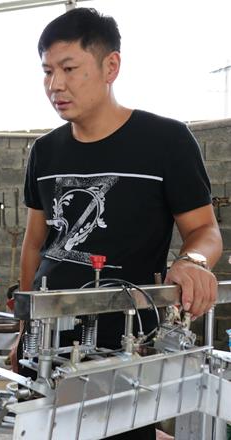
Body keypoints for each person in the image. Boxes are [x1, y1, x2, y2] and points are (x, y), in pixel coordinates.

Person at [16, 7, 222, 440]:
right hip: (49, 344)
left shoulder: (166, 141)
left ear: (111, 66)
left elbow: (205, 230)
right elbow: (35, 243)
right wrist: (26, 326)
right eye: (47, 71)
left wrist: (193, 261)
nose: (55, 85)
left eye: (69, 68)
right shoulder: (44, 152)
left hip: (126, 346)